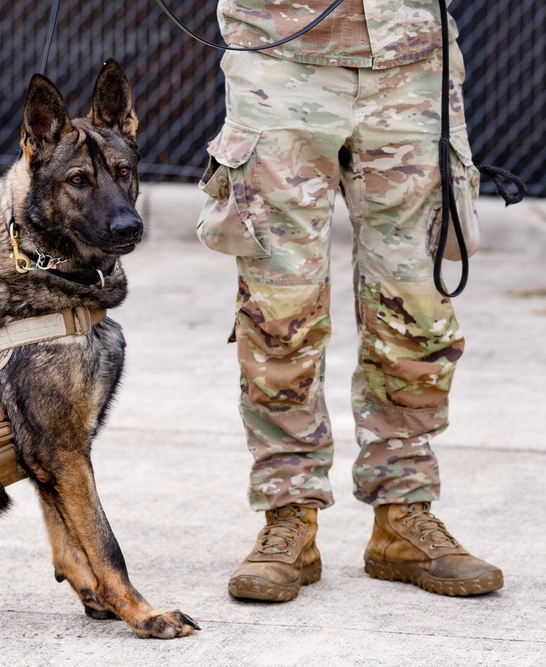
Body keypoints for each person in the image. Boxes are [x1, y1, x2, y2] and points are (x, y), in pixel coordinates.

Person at [196, 0, 503, 601]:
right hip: (279, 54)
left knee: (416, 306)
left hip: (412, 59)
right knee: (278, 311)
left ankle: (402, 513)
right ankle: (289, 516)